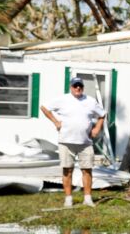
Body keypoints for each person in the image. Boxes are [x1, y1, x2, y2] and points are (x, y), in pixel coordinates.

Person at [40, 77, 106, 207]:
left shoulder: (90, 101)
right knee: (67, 170)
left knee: (87, 170)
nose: (78, 88)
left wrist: (97, 128)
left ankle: (87, 199)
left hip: (85, 143)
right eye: (75, 86)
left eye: (80, 86)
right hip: (66, 141)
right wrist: (56, 122)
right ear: (71, 87)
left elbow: (102, 114)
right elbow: (44, 107)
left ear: (83, 87)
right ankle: (68, 199)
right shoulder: (63, 99)